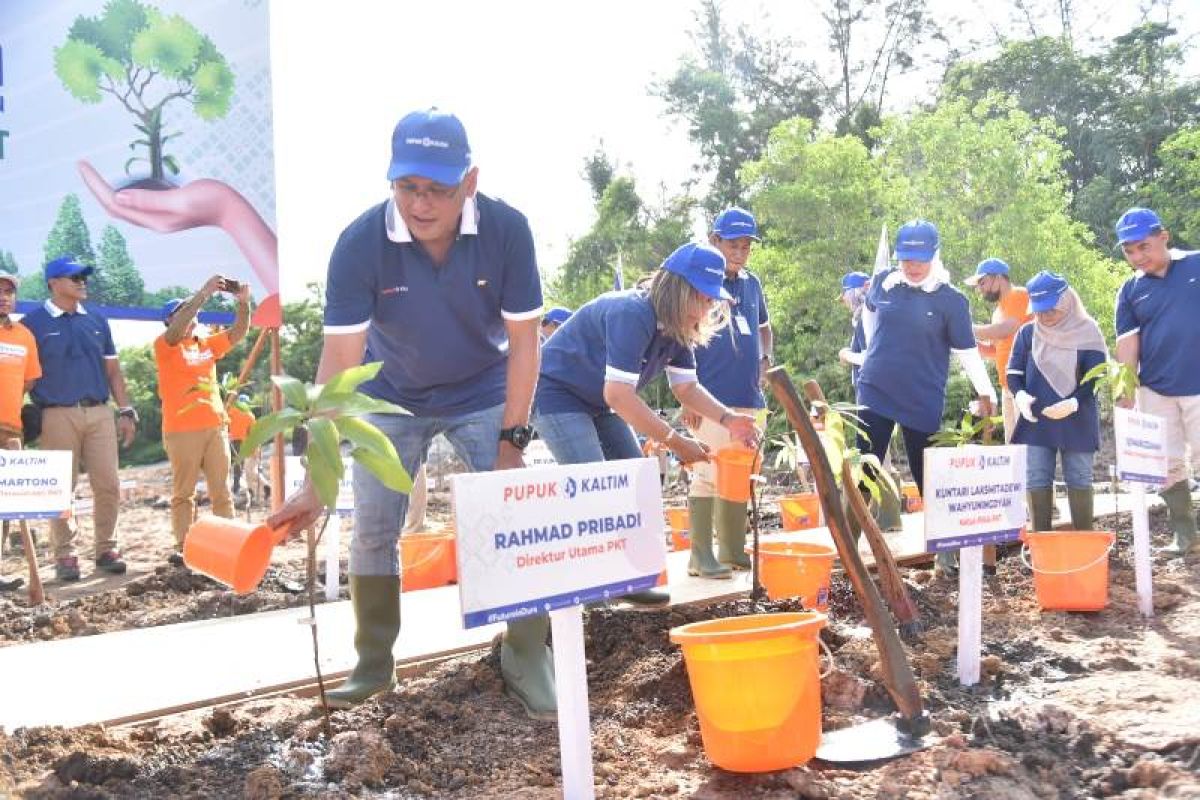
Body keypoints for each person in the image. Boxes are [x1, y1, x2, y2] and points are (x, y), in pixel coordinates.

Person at [266, 109, 550, 716]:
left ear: (469, 182)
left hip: (483, 387)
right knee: (373, 526)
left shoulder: (507, 231)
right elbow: (338, 363)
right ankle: (373, 663)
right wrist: (318, 476)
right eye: (407, 188)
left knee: (514, 508)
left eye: (438, 191)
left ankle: (527, 653)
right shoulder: (359, 244)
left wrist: (512, 439)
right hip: (391, 394)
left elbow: (526, 342)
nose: (421, 205)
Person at [533, 242, 760, 593]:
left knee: (635, 480)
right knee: (593, 483)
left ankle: (632, 581)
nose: (706, 307)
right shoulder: (631, 313)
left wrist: (730, 420)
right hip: (556, 392)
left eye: (711, 300)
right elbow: (619, 395)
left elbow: (686, 389)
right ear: (676, 288)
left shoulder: (679, 328)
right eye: (701, 297)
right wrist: (676, 442)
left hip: (597, 401)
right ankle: (593, 588)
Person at [857, 221, 996, 572]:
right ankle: (849, 545)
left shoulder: (951, 300)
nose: (912, 266)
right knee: (865, 467)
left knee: (927, 473)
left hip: (922, 394)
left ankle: (944, 555)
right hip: (876, 387)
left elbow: (966, 351)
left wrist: (985, 391)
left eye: (919, 259)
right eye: (906, 258)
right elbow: (870, 315)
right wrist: (872, 353)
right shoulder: (885, 282)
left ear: (934, 255)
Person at [21, 256, 137, 581]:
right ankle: (66, 555)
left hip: (100, 412)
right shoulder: (31, 324)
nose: (82, 281)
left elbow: (113, 373)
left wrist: (126, 410)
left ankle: (106, 549)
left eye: (84, 276)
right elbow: (23, 376)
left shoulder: (98, 320)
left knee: (109, 484)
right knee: (60, 488)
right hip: (55, 415)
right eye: (74, 277)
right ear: (53, 283)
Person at [680, 208, 772, 578]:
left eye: (747, 245)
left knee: (741, 473)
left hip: (749, 397)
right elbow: (679, 339)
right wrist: (685, 398)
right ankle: (700, 555)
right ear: (714, 241)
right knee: (706, 472)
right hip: (709, 396)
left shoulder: (752, 283)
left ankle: (733, 551)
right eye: (733, 244)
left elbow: (765, 328)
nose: (740, 251)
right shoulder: (699, 280)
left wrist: (766, 360)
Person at [1114, 207, 1200, 555]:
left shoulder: (1196, 265)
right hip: (1156, 389)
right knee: (1166, 464)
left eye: (1143, 246)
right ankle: (1186, 536)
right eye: (1129, 251)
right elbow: (1128, 343)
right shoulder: (1130, 290)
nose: (1137, 257)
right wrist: (1125, 389)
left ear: (1164, 236)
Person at [155, 276, 251, 564]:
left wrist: (244, 303)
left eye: (193, 311)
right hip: (181, 430)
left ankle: (230, 543)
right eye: (184, 311)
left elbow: (238, 333)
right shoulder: (166, 345)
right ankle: (184, 547)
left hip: (214, 427)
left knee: (221, 490)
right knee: (183, 494)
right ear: (170, 320)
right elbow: (178, 328)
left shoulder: (205, 344)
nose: (193, 314)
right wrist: (203, 294)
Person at [1007, 272, 1107, 531]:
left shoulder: (1088, 332)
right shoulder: (1027, 333)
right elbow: (1013, 372)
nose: (1044, 317)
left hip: (1078, 416)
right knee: (1037, 476)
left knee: (1079, 477)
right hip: (1036, 419)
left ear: (1067, 302)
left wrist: (1074, 402)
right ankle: (1041, 539)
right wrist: (1020, 396)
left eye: (1050, 310)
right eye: (1038, 311)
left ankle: (1084, 539)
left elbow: (1096, 376)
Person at [0, 272, 41, 592]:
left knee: (5, 506)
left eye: (9, 291)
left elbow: (29, 381)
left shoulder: (24, 335)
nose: (4, 296)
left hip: (10, 428)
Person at [966, 258, 1032, 442]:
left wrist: (967, 328)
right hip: (1006, 385)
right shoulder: (997, 312)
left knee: (1026, 444)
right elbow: (995, 350)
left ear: (998, 278)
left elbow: (1007, 329)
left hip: (1024, 382)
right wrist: (966, 342)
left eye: (982, 282)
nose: (980, 289)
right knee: (1013, 444)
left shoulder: (1020, 295)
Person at [837, 271, 870, 389]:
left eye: (845, 295)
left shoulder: (865, 318)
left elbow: (870, 358)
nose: (845, 301)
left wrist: (846, 355)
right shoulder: (860, 318)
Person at [226, 394, 257, 498]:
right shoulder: (250, 416)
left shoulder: (232, 411)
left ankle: (229, 488)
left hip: (230, 441)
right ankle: (235, 487)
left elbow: (224, 420)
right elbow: (252, 433)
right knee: (238, 466)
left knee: (227, 465)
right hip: (243, 443)